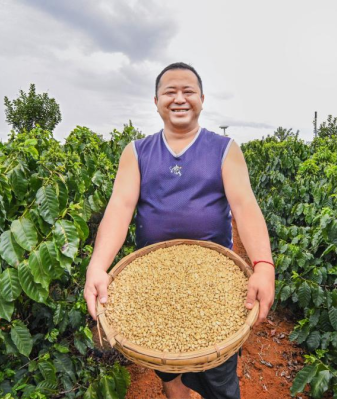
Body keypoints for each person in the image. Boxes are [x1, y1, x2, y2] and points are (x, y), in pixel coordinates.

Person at [84, 62, 275, 399]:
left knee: (219, 376)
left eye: (188, 91)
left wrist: (263, 265)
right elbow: (119, 208)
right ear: (156, 101)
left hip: (214, 281)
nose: (179, 99)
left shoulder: (224, 149)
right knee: (169, 371)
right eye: (169, 92)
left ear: (201, 98)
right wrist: (97, 266)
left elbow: (245, 207)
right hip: (153, 283)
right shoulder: (137, 152)